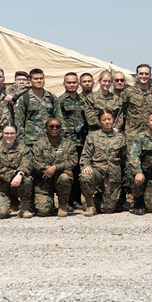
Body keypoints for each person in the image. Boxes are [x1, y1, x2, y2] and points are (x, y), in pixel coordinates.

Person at [79, 110, 127, 216]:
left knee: (108, 209)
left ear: (113, 120)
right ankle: (90, 205)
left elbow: (124, 157)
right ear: (100, 121)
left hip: (113, 175)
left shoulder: (120, 137)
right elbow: (85, 156)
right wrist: (86, 166)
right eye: (104, 120)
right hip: (97, 171)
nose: (107, 122)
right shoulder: (92, 136)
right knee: (85, 176)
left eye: (109, 119)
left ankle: (98, 200)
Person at [30, 117, 77, 217]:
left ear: (61, 128)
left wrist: (55, 168)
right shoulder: (39, 144)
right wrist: (50, 170)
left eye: (57, 126)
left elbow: (72, 161)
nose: (54, 128)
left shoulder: (69, 144)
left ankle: (63, 205)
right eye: (51, 126)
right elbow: (36, 163)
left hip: (60, 179)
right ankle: (50, 206)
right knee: (43, 212)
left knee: (65, 177)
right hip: (43, 180)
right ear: (46, 128)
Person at [0, 125, 33, 219]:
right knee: (0, 214)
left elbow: (27, 164)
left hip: (16, 184)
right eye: (6, 133)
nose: (9, 136)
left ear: (16, 134)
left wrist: (20, 174)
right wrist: (15, 174)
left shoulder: (24, 149)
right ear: (2, 133)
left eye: (12, 133)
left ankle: (24, 208)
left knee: (26, 180)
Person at [58, 72, 86, 210]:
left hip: (81, 141)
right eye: (69, 82)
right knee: (68, 170)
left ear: (78, 83)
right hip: (68, 141)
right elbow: (58, 121)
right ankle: (66, 201)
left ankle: (76, 199)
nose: (72, 85)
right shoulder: (61, 101)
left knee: (78, 171)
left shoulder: (83, 100)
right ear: (64, 84)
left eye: (74, 82)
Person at [127, 112, 152, 215]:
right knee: (132, 172)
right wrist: (138, 171)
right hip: (141, 173)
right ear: (147, 122)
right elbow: (134, 157)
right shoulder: (139, 138)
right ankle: (138, 202)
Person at [15, 69, 62, 146]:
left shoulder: (51, 97)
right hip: (31, 141)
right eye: (36, 79)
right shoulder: (24, 98)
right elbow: (19, 122)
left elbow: (59, 119)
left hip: (49, 140)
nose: (39, 81)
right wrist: (21, 143)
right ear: (30, 80)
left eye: (41, 78)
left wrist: (60, 138)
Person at [122, 63, 152, 137]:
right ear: (136, 75)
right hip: (132, 134)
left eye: (146, 74)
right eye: (141, 74)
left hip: (151, 135)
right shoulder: (128, 92)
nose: (144, 76)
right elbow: (122, 112)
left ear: (150, 75)